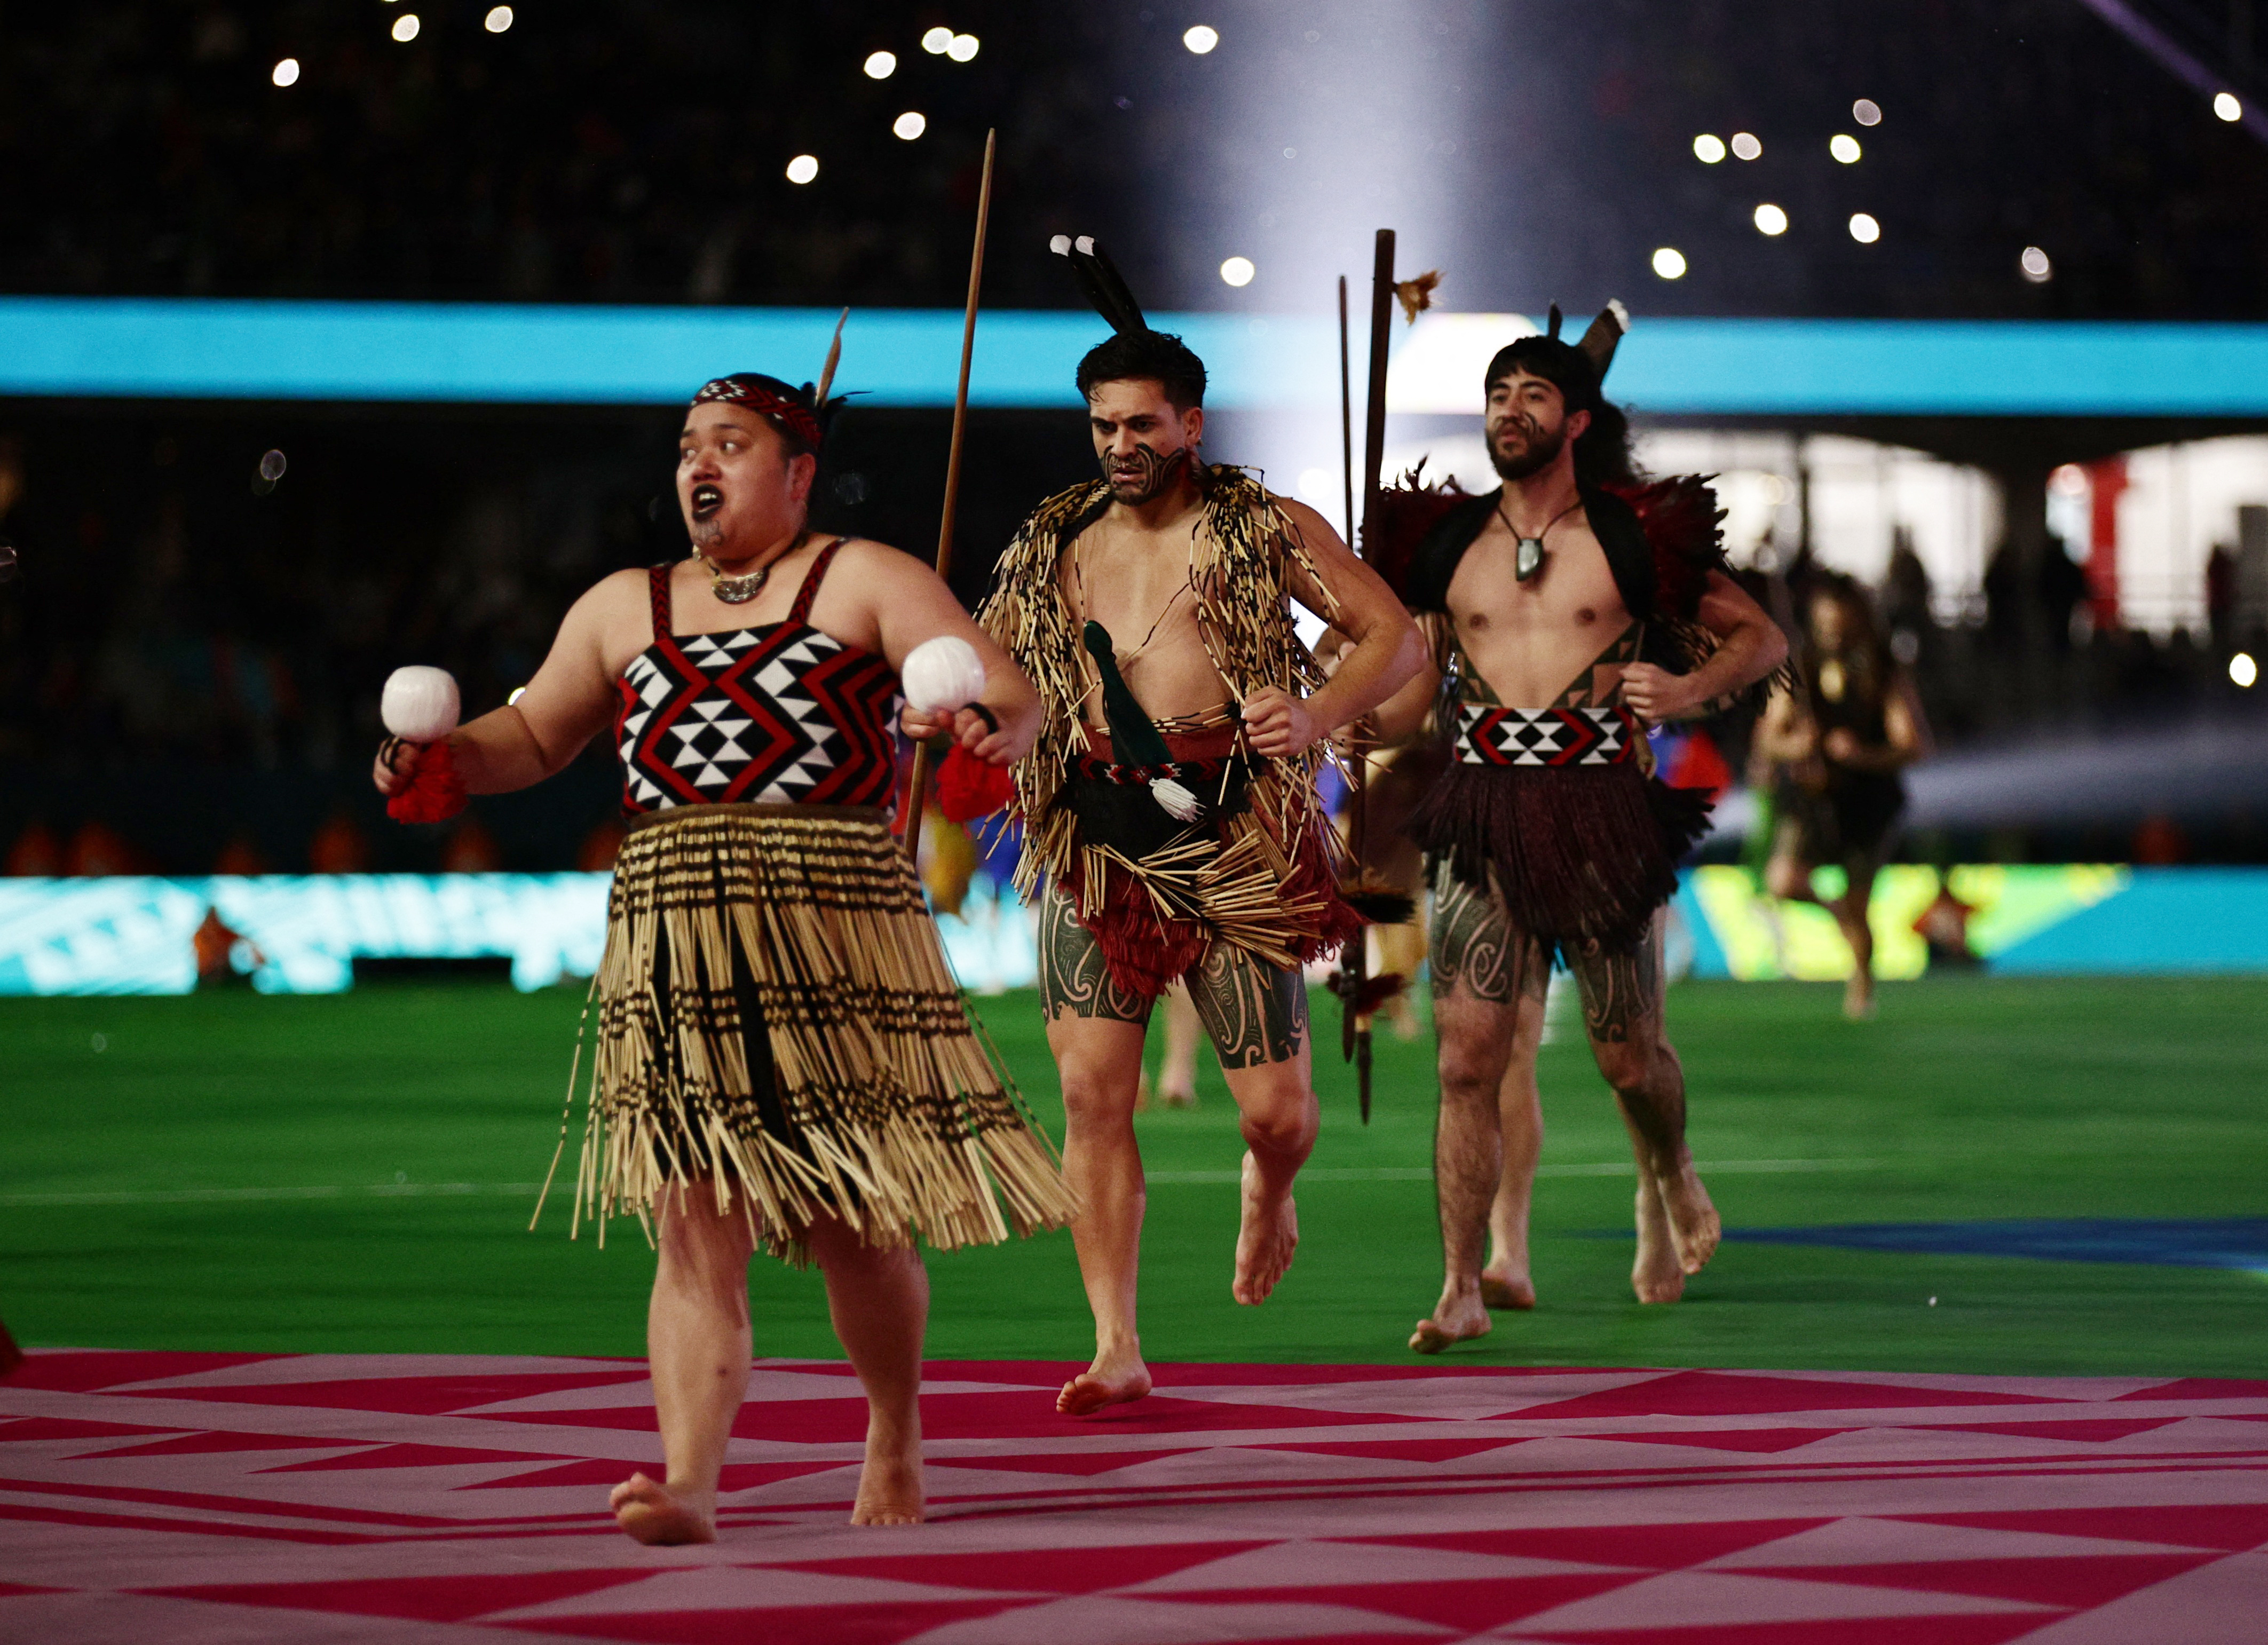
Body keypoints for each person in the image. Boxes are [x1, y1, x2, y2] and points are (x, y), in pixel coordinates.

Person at [375, 372, 1076, 1543]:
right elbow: (537, 732)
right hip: (674, 922)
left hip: (834, 918)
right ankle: (689, 1477)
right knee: (693, 1208)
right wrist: (434, 757)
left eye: (733, 445)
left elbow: (1003, 686)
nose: (701, 464)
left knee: (857, 1212)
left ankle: (894, 1429)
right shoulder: (622, 604)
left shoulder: (863, 576)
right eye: (690, 445)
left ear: (797, 471)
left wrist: (982, 721)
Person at [981, 239, 1425, 1415]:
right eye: (1101, 424)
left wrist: (1318, 708)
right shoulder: (1053, 541)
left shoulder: (1260, 523)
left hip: (1233, 838)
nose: (1119, 444)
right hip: (1097, 834)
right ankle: (1116, 1338)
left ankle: (1268, 1188)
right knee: (1092, 1099)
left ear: (1191, 423)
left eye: (1141, 423)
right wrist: (973, 716)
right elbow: (1004, 671)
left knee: (1276, 1112)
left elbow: (1396, 636)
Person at [1368, 307, 1789, 1347]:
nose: (1509, 412)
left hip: (1601, 809)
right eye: (1498, 396)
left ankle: (1667, 1172)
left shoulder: (1633, 538)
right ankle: (1462, 1284)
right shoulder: (1451, 543)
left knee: (1627, 1058)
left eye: (1533, 396)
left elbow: (1762, 637)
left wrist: (1686, 687)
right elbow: (1411, 690)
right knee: (1467, 1059)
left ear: (1576, 420)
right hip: (1479, 814)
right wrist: (1339, 723)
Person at [1757, 576, 1928, 1016]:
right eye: (1824, 624)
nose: (1832, 634)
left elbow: (1912, 745)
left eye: (1841, 625)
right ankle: (1837, 916)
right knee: (1784, 881)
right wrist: (1796, 745)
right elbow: (1769, 739)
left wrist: (1860, 754)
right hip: (1811, 797)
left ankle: (1862, 980)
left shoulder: (1883, 670)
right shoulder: (1798, 668)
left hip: (1866, 800)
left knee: (1859, 901)